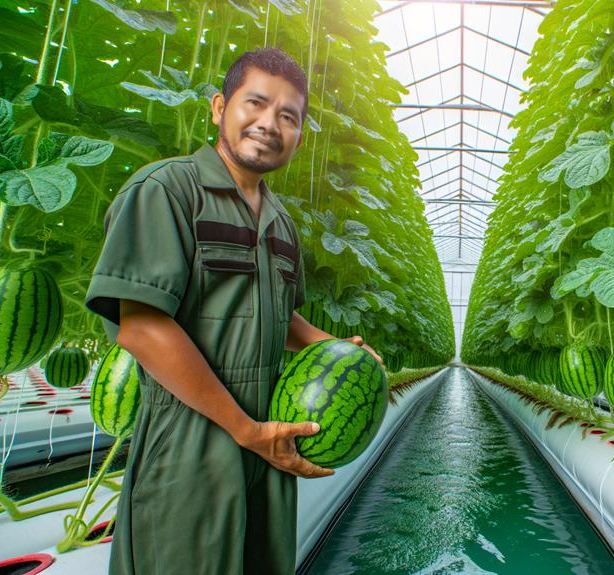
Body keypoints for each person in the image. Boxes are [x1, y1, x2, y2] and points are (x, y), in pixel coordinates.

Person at [85, 47, 382, 574]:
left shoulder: (283, 223)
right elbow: (143, 326)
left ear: (298, 134)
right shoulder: (167, 190)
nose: (270, 124)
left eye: (288, 116)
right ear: (220, 107)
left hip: (270, 436)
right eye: (257, 104)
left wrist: (327, 345)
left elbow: (275, 314)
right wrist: (243, 428)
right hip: (192, 436)